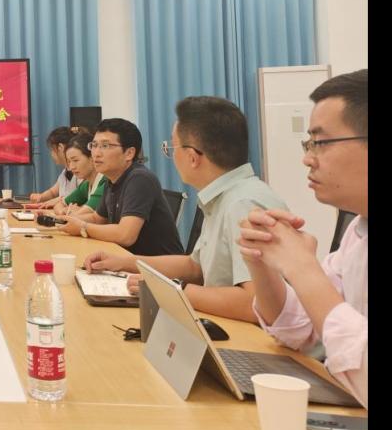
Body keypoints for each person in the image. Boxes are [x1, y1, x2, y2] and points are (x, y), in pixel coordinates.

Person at [83, 97, 286, 322]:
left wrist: (171, 289)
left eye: (171, 148)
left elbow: (257, 305)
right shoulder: (224, 197)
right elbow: (195, 267)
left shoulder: (243, 204)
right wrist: (124, 263)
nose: (171, 156)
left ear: (192, 157)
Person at [238, 69, 367, 407]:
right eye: (308, 144)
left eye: (320, 143)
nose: (307, 159)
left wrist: (302, 269)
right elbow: (301, 332)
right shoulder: (359, 231)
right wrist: (263, 265)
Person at [61, 118, 183, 256]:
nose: (96, 153)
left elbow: (126, 235)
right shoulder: (111, 179)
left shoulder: (140, 178)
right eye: (94, 145)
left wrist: (83, 227)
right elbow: (97, 219)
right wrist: (63, 221)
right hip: (128, 260)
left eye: (105, 146)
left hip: (156, 267)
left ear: (129, 153)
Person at [43, 132, 104, 217]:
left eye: (75, 160)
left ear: (92, 157)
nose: (71, 167)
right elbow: (59, 205)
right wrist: (64, 211)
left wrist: (72, 212)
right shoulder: (86, 185)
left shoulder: (105, 181)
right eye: (69, 162)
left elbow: (84, 214)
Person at [28, 126, 81, 206]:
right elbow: (53, 192)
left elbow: (75, 197)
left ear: (60, 148)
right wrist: (41, 197)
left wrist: (56, 201)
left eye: (52, 150)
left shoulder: (80, 172)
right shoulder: (65, 172)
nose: (51, 154)